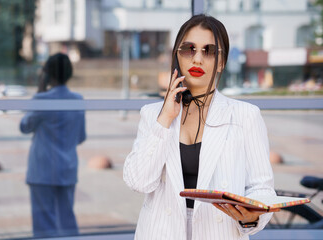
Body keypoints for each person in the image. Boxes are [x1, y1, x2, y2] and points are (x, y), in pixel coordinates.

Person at [123, 14, 276, 240]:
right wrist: (164, 120)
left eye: (209, 50)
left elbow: (262, 188)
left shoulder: (245, 116)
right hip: (160, 232)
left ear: (222, 62)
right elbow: (138, 181)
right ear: (177, 54)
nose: (197, 59)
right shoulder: (152, 114)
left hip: (219, 232)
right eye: (189, 49)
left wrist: (251, 217)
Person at [20, 53, 86, 237]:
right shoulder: (78, 100)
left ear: (47, 74)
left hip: (42, 169)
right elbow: (80, 137)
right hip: (67, 167)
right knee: (67, 218)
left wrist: (40, 93)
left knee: (44, 223)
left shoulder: (42, 99)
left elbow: (25, 126)